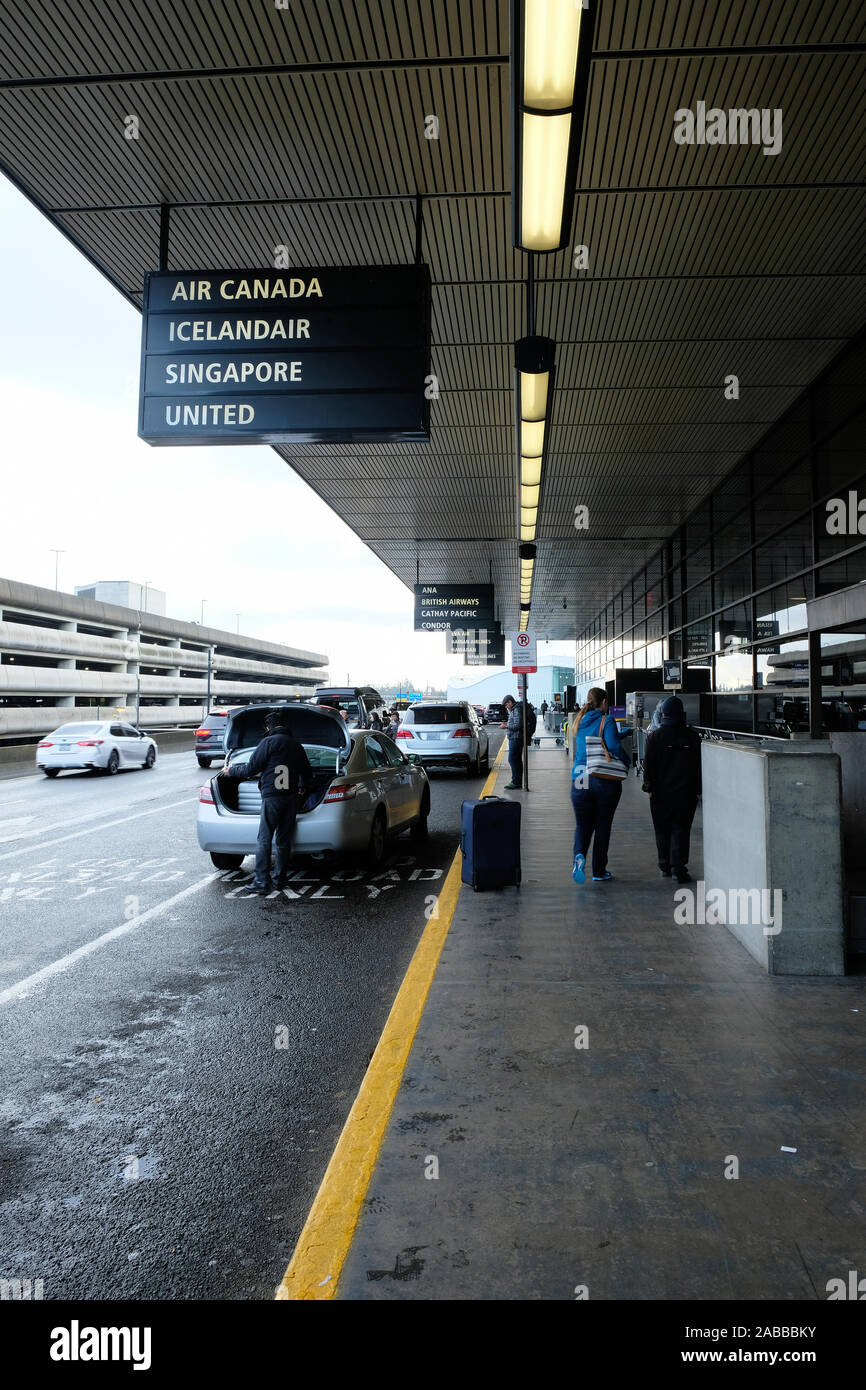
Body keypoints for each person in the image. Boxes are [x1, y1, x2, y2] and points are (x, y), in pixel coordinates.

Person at [222, 710, 312, 895]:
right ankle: (280, 879)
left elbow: (250, 769)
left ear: (268, 727)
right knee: (284, 840)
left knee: (264, 839)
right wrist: (302, 786)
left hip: (272, 797)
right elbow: (307, 773)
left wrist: (231, 771)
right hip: (291, 798)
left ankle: (261, 881)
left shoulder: (267, 742)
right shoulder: (296, 745)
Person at [570, 687, 628, 884]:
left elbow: (594, 741)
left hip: (579, 777)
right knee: (602, 825)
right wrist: (627, 762)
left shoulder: (579, 720)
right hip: (600, 778)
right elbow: (612, 748)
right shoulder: (607, 719)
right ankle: (599, 871)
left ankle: (579, 856)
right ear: (603, 703)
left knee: (582, 824)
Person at [642, 696, 702, 884]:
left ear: (663, 714)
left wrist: (649, 787)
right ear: (682, 714)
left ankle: (664, 864)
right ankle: (678, 868)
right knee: (681, 830)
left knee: (662, 830)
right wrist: (698, 789)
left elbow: (648, 765)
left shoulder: (654, 737)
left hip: (660, 794)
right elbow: (699, 766)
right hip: (685, 793)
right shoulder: (692, 737)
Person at [499, 694, 525, 789]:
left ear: (510, 702)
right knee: (516, 760)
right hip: (514, 738)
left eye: (506, 705)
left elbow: (518, 725)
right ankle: (517, 782)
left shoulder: (516, 710)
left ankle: (516, 782)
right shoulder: (514, 710)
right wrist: (507, 723)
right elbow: (515, 723)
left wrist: (506, 726)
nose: (506, 707)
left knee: (513, 760)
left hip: (516, 738)